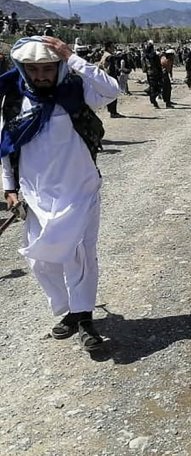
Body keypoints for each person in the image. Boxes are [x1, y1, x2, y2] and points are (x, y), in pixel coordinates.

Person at [0, 36, 119, 351]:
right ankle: (69, 309)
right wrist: (9, 187)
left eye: (48, 68)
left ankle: (84, 318)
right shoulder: (14, 100)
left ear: (59, 67)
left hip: (79, 189)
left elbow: (112, 90)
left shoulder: (76, 92)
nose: (40, 76)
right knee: (42, 261)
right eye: (33, 69)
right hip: (36, 195)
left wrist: (73, 57)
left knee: (80, 256)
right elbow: (7, 148)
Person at [98, 41, 122, 118]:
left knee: (109, 95)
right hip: (111, 77)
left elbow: (100, 66)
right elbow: (111, 69)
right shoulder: (109, 56)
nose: (113, 48)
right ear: (108, 48)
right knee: (114, 94)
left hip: (106, 77)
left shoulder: (104, 55)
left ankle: (112, 111)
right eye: (112, 47)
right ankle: (113, 112)